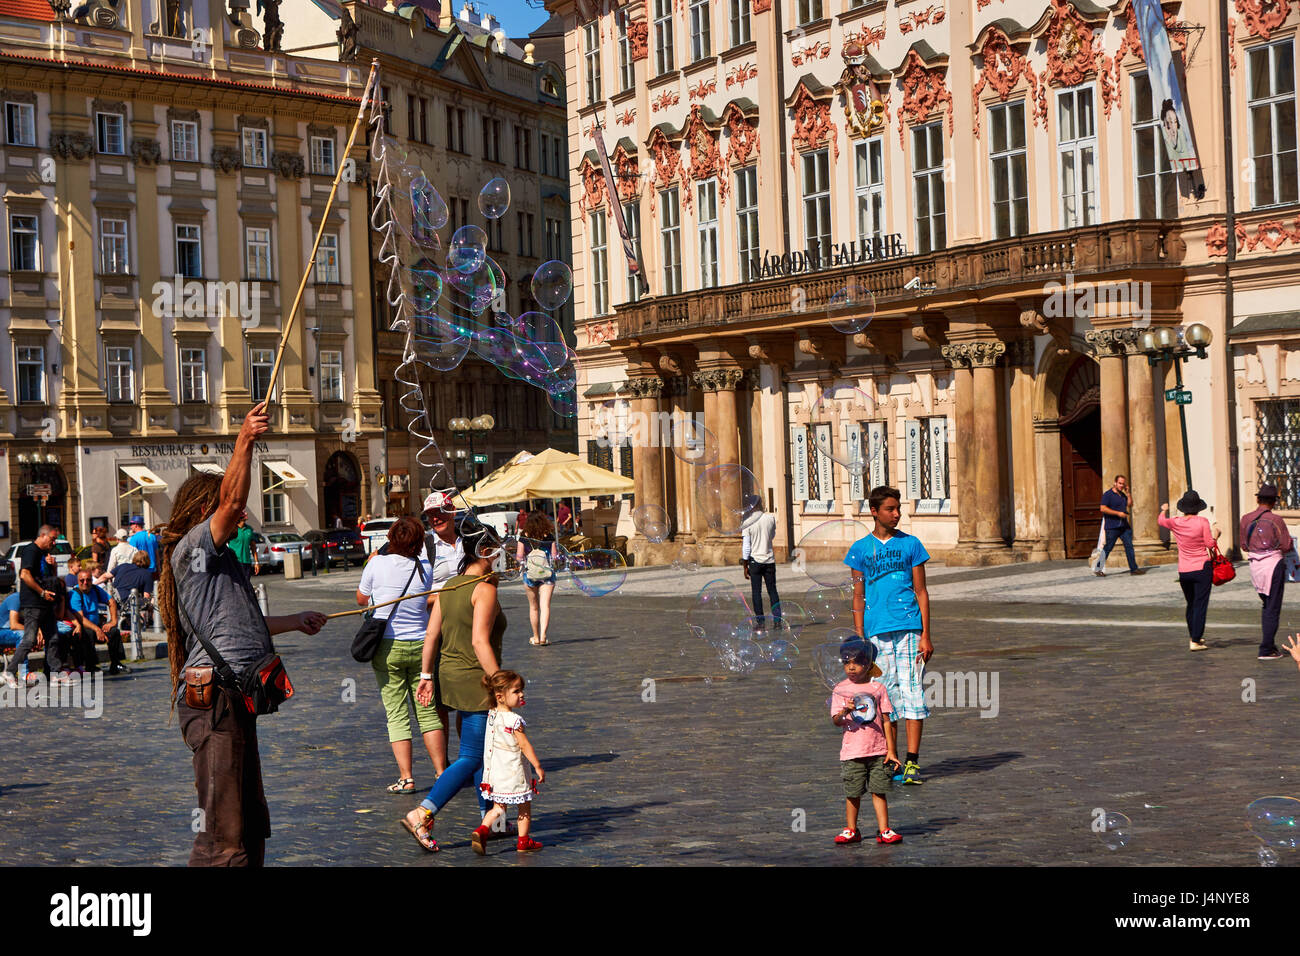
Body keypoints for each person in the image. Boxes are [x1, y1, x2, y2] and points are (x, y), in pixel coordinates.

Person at [158, 401, 327, 867]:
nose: (239, 517)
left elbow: (241, 624)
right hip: (213, 705)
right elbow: (231, 501)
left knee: (250, 821)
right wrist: (245, 440)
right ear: (202, 509)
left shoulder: (224, 562)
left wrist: (295, 621)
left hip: (236, 700)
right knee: (223, 833)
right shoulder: (193, 548)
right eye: (227, 510)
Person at [402, 553, 506, 852]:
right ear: (488, 555)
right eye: (498, 550)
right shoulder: (484, 589)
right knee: (472, 756)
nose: (501, 556)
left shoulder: (449, 586)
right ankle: (422, 813)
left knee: (481, 754)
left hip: (450, 675)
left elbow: (431, 634)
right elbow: (478, 641)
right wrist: (500, 681)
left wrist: (426, 675)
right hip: (477, 679)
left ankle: (492, 821)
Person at [844, 485, 933, 786]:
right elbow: (858, 597)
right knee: (885, 698)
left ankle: (912, 763)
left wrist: (926, 634)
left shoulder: (911, 545)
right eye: (890, 509)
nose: (896, 514)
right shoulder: (860, 550)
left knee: (913, 693)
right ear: (874, 511)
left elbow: (921, 591)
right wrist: (859, 639)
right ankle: (891, 759)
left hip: (909, 627)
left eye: (898, 509)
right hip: (876, 633)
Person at [356, 515, 446, 794]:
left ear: (391, 538)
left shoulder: (377, 563)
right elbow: (427, 599)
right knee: (427, 712)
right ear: (419, 543)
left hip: (388, 646)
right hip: (422, 646)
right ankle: (442, 774)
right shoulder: (424, 567)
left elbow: (361, 599)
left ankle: (406, 777)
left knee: (396, 714)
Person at [830, 638, 902, 846]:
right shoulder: (840, 690)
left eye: (857, 662)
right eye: (846, 662)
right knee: (852, 793)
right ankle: (851, 829)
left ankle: (884, 829)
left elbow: (887, 720)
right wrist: (846, 711)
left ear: (869, 664)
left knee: (879, 790)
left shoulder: (878, 688)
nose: (851, 667)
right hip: (852, 752)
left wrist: (891, 751)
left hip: (878, 750)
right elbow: (836, 721)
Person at [472, 669, 545, 854]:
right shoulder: (514, 720)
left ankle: (482, 830)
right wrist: (537, 765)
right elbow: (524, 745)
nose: (521, 694)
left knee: (498, 808)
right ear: (500, 696)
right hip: (514, 771)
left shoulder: (492, 715)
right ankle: (523, 841)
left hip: (495, 773)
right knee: (525, 806)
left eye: (521, 690)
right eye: (516, 691)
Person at [1240, 482, 1297, 661]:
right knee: (1272, 607)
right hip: (1273, 564)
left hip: (1255, 566)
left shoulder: (1246, 518)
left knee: (1266, 605)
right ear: (1273, 502)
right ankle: (1266, 648)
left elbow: (1243, 545)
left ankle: (1269, 644)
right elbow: (1286, 545)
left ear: (1258, 499)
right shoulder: (1276, 520)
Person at [1, 525, 62, 689]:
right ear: (43, 535)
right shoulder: (31, 550)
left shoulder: (44, 554)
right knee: (29, 639)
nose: (54, 543)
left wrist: (53, 566)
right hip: (33, 603)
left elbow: (50, 579)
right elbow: (24, 575)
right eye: (52, 539)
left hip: (45, 603)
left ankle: (55, 675)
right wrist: (42, 593)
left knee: (53, 637)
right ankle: (9, 672)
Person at [1158, 492, 1220, 652]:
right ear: (1198, 508)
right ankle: (1196, 640)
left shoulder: (1176, 522)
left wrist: (1163, 509)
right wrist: (1216, 535)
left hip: (1184, 570)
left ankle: (1194, 633)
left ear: (1183, 508)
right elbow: (1210, 544)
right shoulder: (1202, 522)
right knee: (1200, 604)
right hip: (1201, 568)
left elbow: (1161, 521)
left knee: (1191, 603)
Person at [70, 568, 129, 675]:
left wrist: (113, 621)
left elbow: (112, 602)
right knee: (89, 633)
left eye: (88, 580)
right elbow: (81, 618)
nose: (85, 583)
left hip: (97, 625)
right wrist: (97, 629)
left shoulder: (95, 589)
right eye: (82, 580)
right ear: (78, 581)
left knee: (114, 631)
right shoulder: (75, 594)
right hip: (82, 627)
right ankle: (90, 666)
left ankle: (116, 663)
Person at [518, 511, 557, 646]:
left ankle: (535, 637)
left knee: (533, 607)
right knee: (545, 606)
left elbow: (519, 556)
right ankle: (543, 636)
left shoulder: (524, 536)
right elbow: (554, 556)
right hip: (547, 574)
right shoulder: (549, 536)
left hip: (530, 574)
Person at [741, 494, 781, 626]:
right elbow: (772, 535)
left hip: (755, 561)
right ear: (760, 503)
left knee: (756, 592)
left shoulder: (747, 521)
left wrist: (745, 564)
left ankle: (760, 621)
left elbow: (746, 546)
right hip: (769, 560)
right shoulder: (770, 518)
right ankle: (777, 621)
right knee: (772, 591)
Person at [1097, 475, 1145, 576]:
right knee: (1108, 547)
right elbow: (1103, 508)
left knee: (1129, 546)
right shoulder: (1108, 494)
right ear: (1115, 483)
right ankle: (1098, 568)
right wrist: (1118, 513)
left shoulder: (1123, 495)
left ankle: (1134, 569)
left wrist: (1128, 493)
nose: (1121, 485)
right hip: (1112, 526)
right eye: (1120, 483)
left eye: (1123, 484)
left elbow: (1130, 504)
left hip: (1124, 526)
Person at [101, 528, 136, 592]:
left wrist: (109, 578)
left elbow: (111, 566)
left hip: (119, 578)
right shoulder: (134, 549)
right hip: (133, 577)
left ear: (117, 539)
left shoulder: (115, 550)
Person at [228, 513, 260, 578]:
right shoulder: (232, 529)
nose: (246, 513)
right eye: (243, 513)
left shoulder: (249, 529)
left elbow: (253, 547)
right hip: (234, 563)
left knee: (246, 585)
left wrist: (256, 563)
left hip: (247, 562)